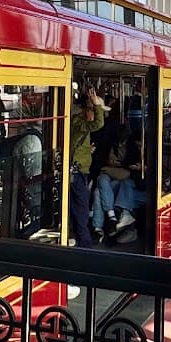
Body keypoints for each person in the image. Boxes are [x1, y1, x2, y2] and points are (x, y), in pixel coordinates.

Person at [67, 85, 104, 246]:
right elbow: (98, 124)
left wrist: (87, 149)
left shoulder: (79, 125)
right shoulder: (78, 122)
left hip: (80, 168)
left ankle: (78, 236)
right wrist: (97, 105)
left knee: (78, 205)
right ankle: (85, 242)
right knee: (81, 206)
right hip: (78, 170)